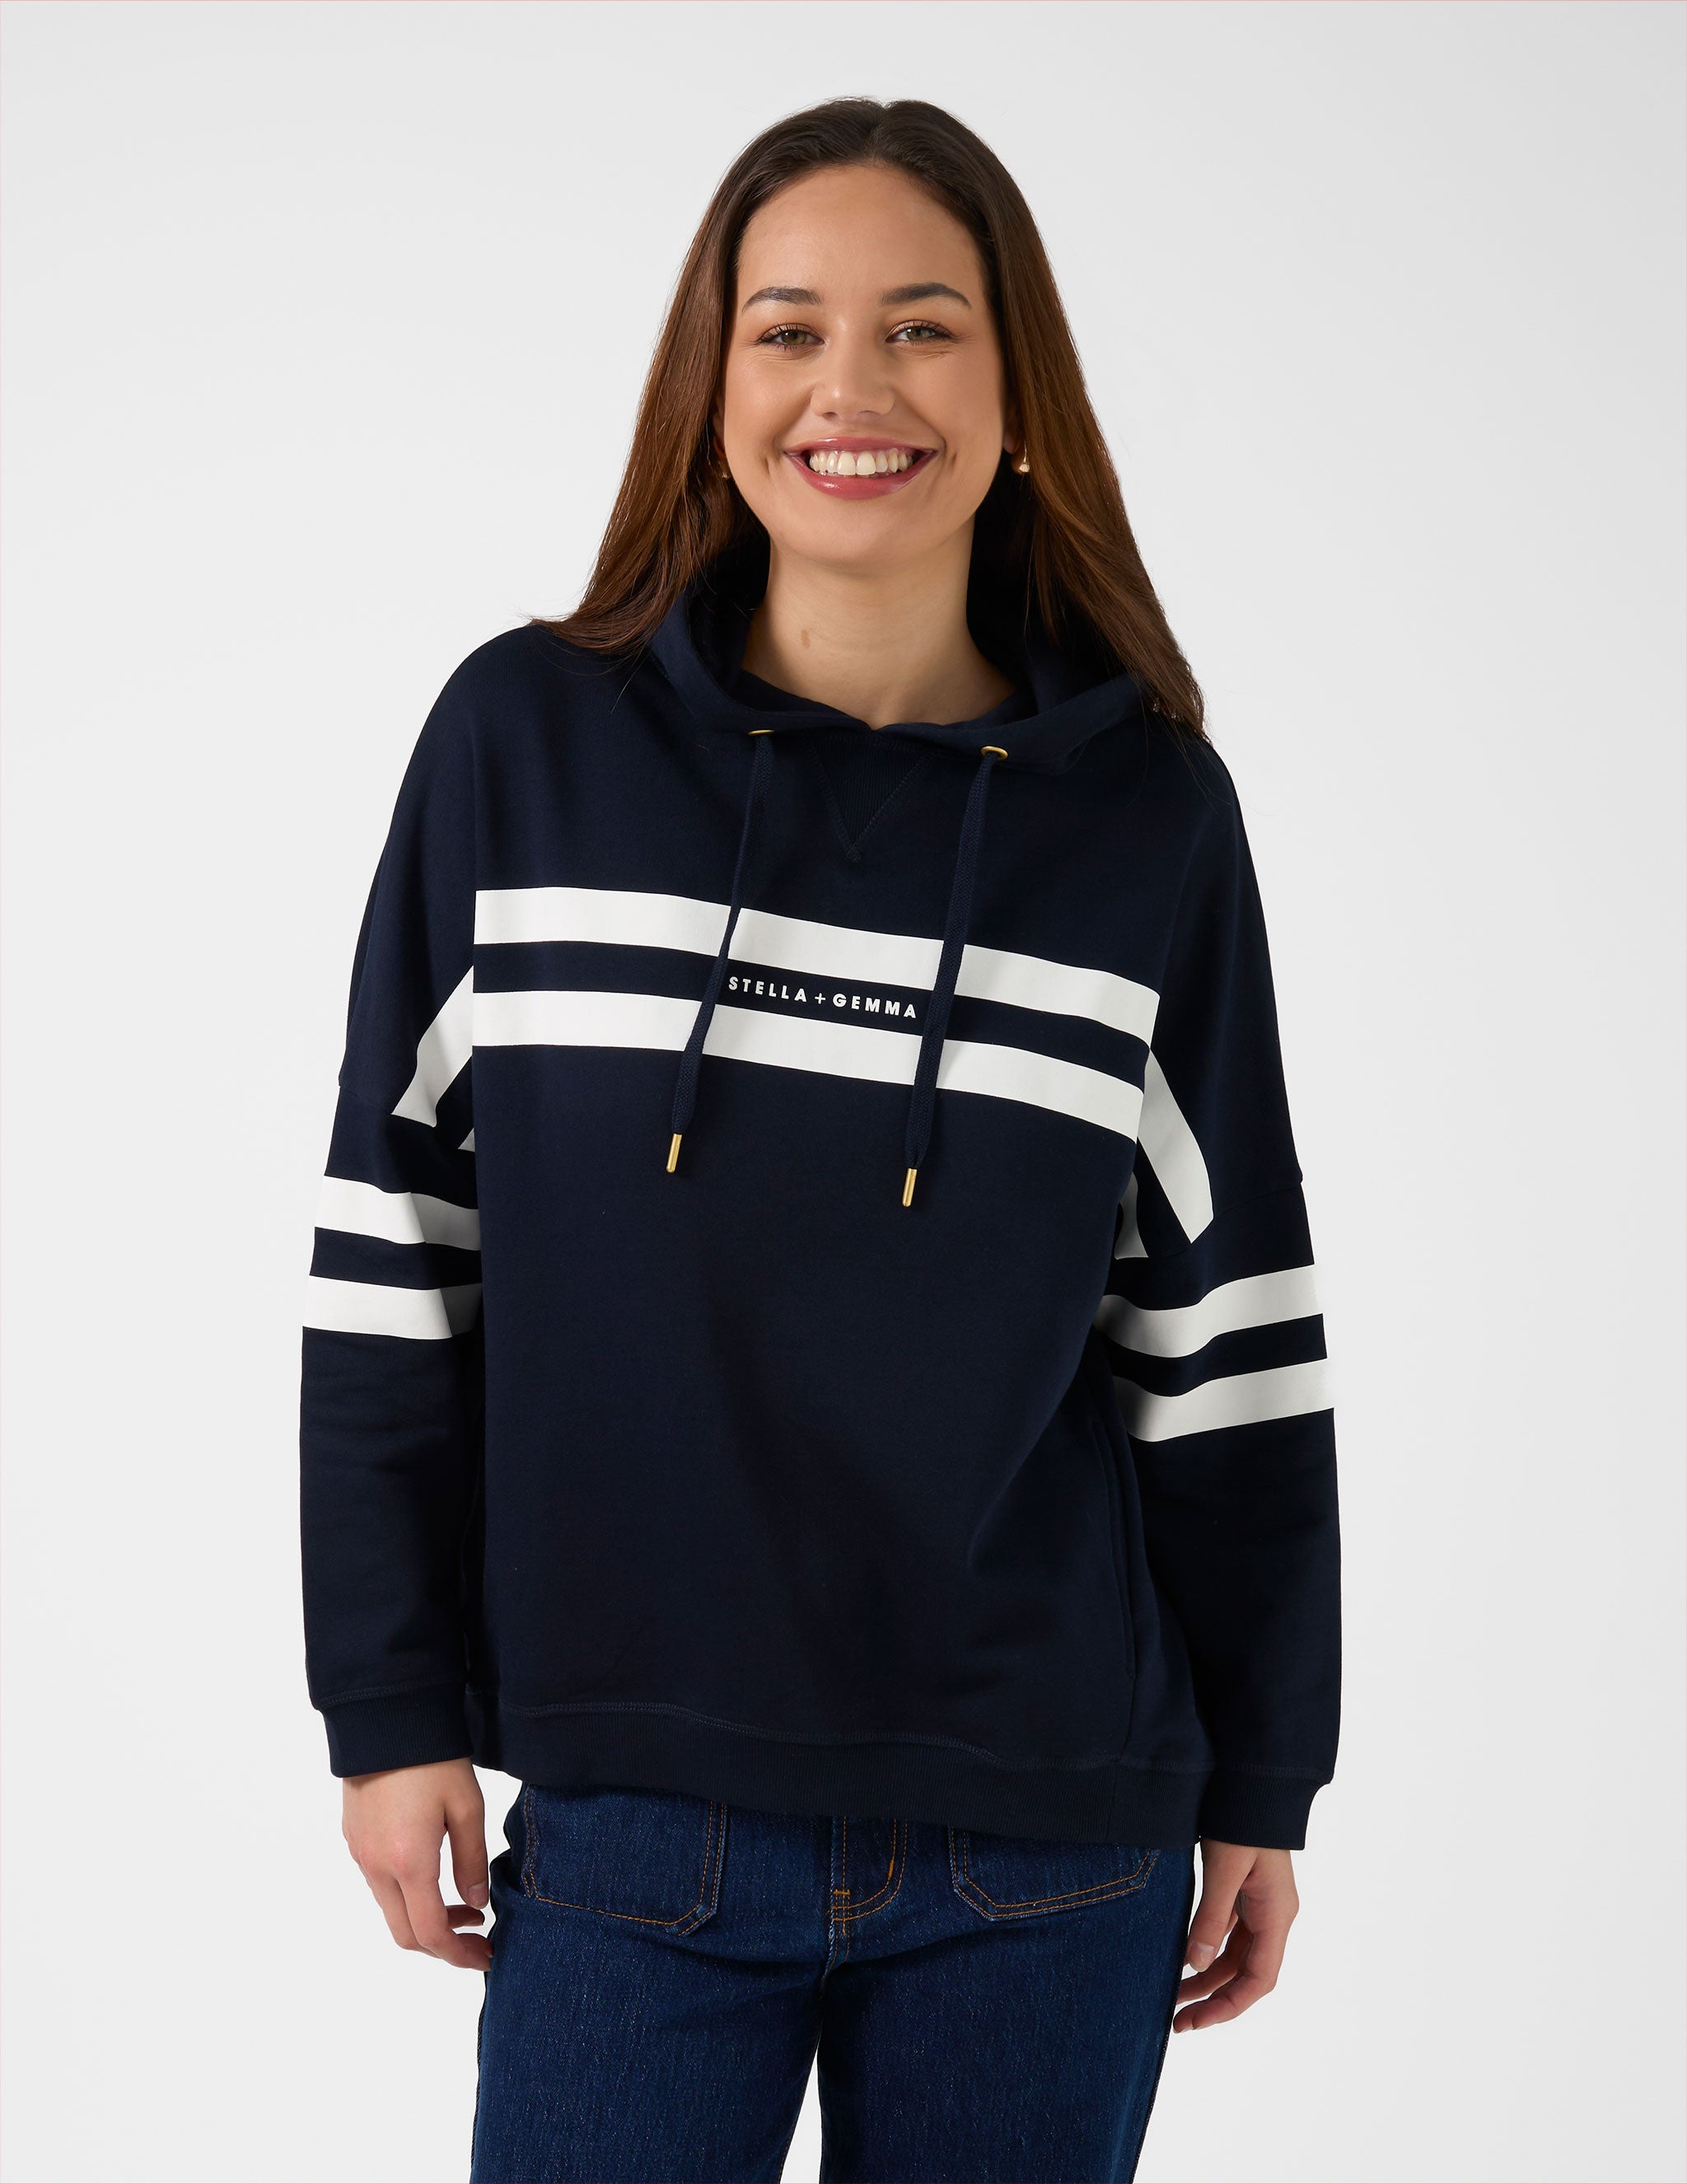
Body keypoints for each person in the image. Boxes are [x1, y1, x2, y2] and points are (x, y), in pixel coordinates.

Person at [299, 96, 1342, 2184]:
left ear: (1019, 397)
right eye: (786, 331)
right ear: (713, 389)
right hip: (630, 1815)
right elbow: (400, 1249)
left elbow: (1221, 1322)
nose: (850, 389)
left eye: (921, 329)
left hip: (1047, 1841)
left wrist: (1264, 1775)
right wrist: (388, 1711)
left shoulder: (1147, 814)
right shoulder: (526, 745)